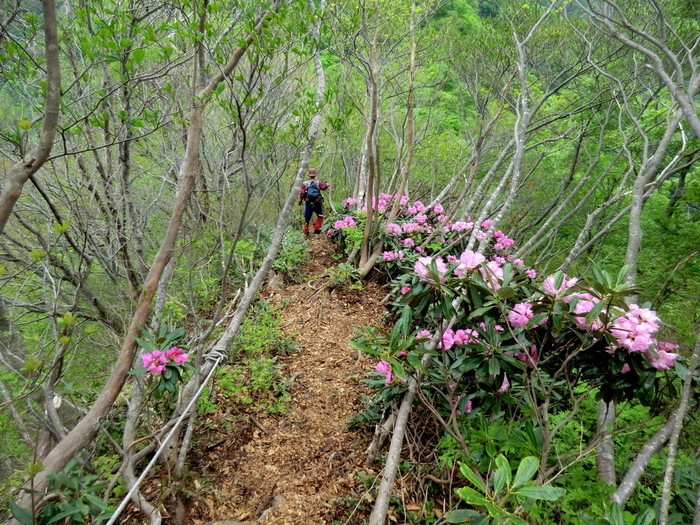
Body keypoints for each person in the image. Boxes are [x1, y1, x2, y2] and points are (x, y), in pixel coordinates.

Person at [298, 168, 330, 235]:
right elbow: (324, 187)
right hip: (317, 201)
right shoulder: (318, 183)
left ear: (309, 175)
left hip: (308, 202)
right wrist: (327, 184)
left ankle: (306, 231)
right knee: (320, 214)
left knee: (307, 216)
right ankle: (317, 228)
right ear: (315, 175)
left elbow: (302, 193)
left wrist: (300, 201)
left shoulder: (305, 183)